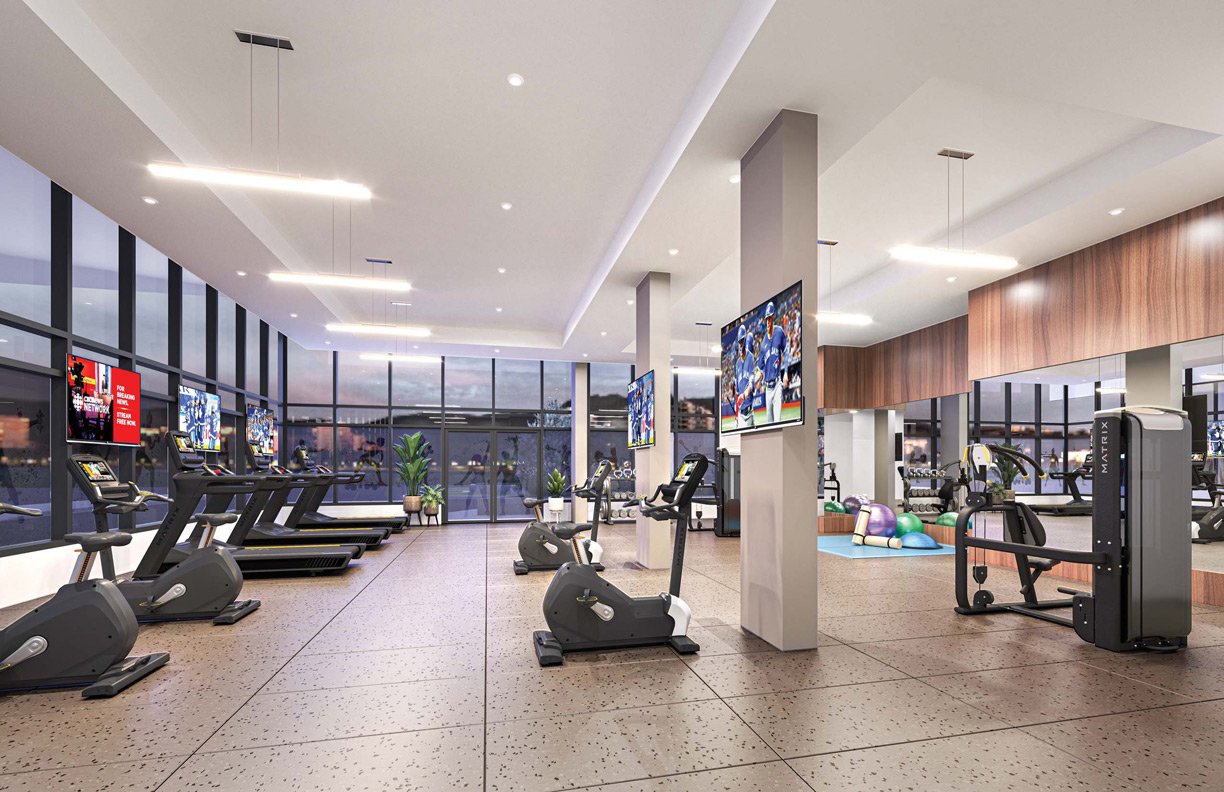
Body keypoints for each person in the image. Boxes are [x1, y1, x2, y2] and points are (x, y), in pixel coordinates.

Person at [758, 301, 787, 424]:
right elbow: (760, 370)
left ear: (774, 317)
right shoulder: (763, 343)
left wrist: (785, 373)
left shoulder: (779, 332)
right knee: (769, 424)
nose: (769, 321)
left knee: (777, 421)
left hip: (777, 384)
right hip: (767, 389)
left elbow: (786, 352)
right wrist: (751, 383)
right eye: (767, 319)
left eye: (770, 318)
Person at [733, 325, 756, 429]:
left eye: (742, 341)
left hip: (749, 412)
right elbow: (737, 392)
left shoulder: (750, 357)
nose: (740, 344)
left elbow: (751, 380)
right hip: (740, 414)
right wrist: (736, 414)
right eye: (739, 342)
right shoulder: (737, 364)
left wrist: (744, 395)